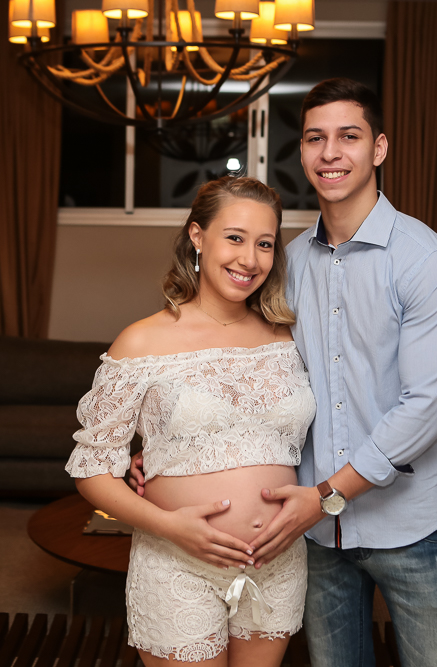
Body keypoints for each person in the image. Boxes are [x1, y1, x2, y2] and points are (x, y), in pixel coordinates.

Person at [132, 78, 437, 666]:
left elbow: (426, 408)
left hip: (410, 524)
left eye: (349, 136)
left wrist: (326, 495)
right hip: (314, 537)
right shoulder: (281, 264)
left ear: (379, 148)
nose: (330, 152)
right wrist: (165, 450)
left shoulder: (428, 262)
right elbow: (239, 367)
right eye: (316, 138)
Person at [65, 176, 316, 666]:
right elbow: (91, 470)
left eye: (265, 244)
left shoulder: (291, 337)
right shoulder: (141, 342)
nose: (250, 259)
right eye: (235, 238)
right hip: (177, 563)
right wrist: (170, 525)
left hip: (278, 561)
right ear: (198, 236)